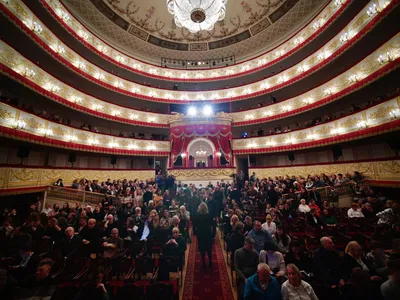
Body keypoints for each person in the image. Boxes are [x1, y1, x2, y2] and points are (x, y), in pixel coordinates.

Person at [193, 202, 214, 268]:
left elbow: (194, 224)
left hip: (200, 233)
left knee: (202, 248)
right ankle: (210, 261)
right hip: (208, 232)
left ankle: (204, 263)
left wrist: (195, 233)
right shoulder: (209, 214)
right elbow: (212, 223)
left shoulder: (197, 214)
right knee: (209, 248)